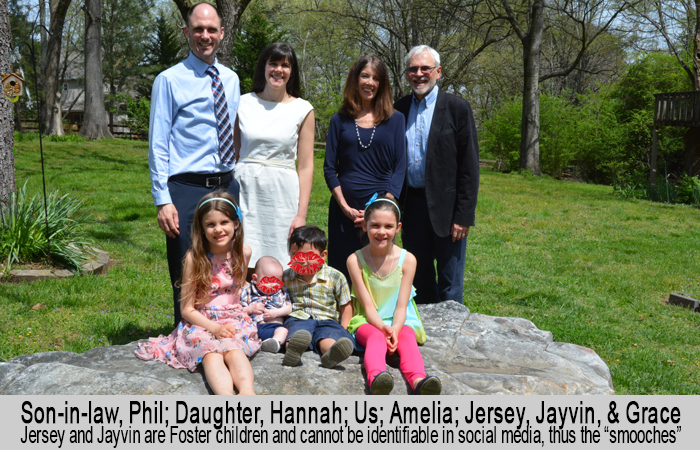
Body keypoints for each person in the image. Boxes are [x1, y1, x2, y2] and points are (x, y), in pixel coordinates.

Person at [149, 3, 241, 326]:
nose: (205, 36)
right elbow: (158, 142)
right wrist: (163, 198)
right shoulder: (169, 80)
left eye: (211, 30)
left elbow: (233, 131)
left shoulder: (230, 79)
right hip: (186, 188)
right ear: (186, 32)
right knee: (189, 268)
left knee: (225, 267)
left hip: (226, 185)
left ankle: (224, 333)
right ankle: (187, 337)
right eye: (198, 29)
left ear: (222, 33)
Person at [135, 191, 260, 395]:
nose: (218, 229)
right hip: (202, 321)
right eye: (211, 224)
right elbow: (186, 309)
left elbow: (238, 290)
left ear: (236, 223)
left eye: (224, 222)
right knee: (211, 354)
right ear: (201, 228)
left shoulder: (243, 252)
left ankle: (247, 393)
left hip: (233, 318)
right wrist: (214, 328)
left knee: (234, 350)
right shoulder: (196, 258)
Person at [394, 45, 480, 304]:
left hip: (448, 211)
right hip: (412, 209)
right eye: (413, 69)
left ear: (438, 72)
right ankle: (423, 340)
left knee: (449, 283)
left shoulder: (457, 108)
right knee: (418, 280)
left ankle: (451, 338)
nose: (419, 74)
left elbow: (469, 167)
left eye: (425, 68)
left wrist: (463, 216)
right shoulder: (398, 110)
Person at [324, 55, 406, 283]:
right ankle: (343, 316)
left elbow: (400, 167)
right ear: (355, 79)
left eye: (376, 78)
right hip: (344, 211)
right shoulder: (339, 121)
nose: (370, 82)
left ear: (382, 84)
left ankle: (377, 315)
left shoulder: (396, 119)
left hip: (381, 211)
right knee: (342, 269)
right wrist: (345, 207)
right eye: (365, 76)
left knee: (378, 269)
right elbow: (330, 169)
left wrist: (380, 208)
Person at [346, 195, 441, 395]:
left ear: (397, 228)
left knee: (407, 337)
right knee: (376, 337)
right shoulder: (355, 260)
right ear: (365, 226)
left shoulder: (408, 260)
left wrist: (395, 329)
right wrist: (383, 328)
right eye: (375, 226)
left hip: (401, 320)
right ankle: (377, 378)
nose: (381, 232)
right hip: (368, 320)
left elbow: (401, 306)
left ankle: (419, 381)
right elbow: (368, 306)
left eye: (388, 226)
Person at [234, 42, 315, 269]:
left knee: (281, 260)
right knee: (242, 254)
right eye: (273, 64)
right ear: (264, 67)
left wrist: (301, 214)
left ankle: (278, 304)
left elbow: (306, 166)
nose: (278, 70)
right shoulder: (242, 103)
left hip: (282, 196)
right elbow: (234, 154)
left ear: (292, 71)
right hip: (246, 190)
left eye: (285, 65)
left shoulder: (303, 109)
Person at [282, 225, 355, 368]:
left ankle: (331, 353)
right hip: (299, 317)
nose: (301, 260)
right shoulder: (286, 276)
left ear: (323, 255)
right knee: (296, 332)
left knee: (329, 336)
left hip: (327, 319)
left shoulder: (336, 276)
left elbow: (346, 305)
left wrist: (343, 328)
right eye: (295, 255)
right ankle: (293, 351)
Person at [240, 256, 292, 353]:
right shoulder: (247, 291)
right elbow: (238, 310)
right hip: (254, 327)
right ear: (255, 279)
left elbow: (289, 308)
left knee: (283, 331)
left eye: (277, 281)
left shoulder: (282, 292)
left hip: (274, 327)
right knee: (246, 332)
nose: (273, 285)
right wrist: (250, 309)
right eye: (269, 281)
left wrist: (276, 313)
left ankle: (274, 343)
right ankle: (250, 345)